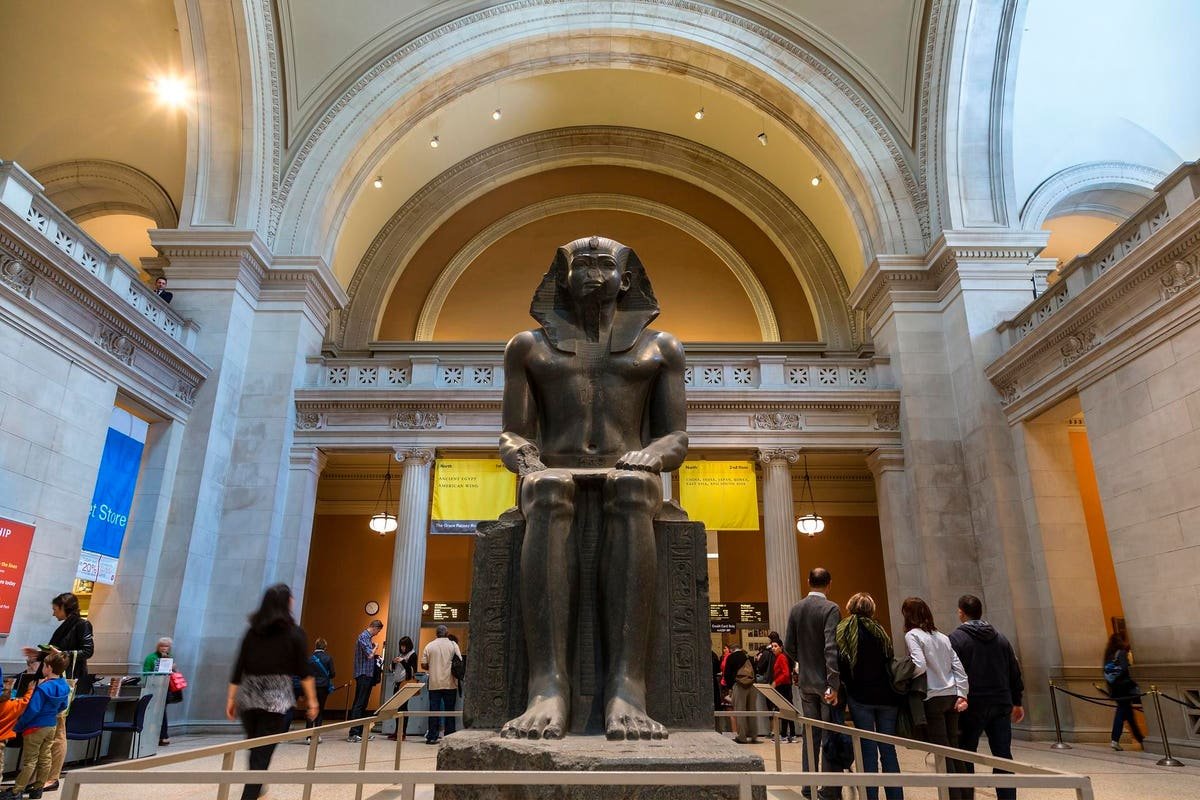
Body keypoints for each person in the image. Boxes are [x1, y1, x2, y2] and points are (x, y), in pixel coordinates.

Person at [497, 236, 687, 740]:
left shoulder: (661, 348)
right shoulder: (528, 347)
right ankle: (547, 685)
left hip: (627, 470)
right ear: (561, 278)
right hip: (553, 470)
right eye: (580, 264)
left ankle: (627, 686)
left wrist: (653, 456)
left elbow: (675, 436)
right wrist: (527, 459)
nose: (592, 273)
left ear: (627, 279)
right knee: (547, 488)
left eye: (604, 264)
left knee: (631, 488)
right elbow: (513, 432)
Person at [226, 584, 317, 800]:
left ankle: (257, 788)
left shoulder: (252, 632)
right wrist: (312, 701)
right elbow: (305, 671)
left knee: (255, 748)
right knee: (261, 753)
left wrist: (231, 698)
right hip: (275, 700)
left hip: (248, 698)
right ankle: (250, 795)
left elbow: (239, 667)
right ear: (286, 602)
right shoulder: (295, 633)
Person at [949, 594, 1025, 800]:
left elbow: (952, 673)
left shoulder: (956, 639)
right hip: (1001, 704)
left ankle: (967, 797)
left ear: (961, 613)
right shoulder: (1001, 638)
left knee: (966, 753)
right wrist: (1017, 701)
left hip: (972, 705)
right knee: (1003, 755)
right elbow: (1014, 672)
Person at [21, 591, 94, 793]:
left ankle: (52, 777)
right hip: (56, 680)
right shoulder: (67, 625)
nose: (53, 613)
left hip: (66, 682)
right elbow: (57, 653)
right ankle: (41, 776)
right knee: (50, 729)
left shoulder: (82, 624)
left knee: (58, 729)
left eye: (55, 609)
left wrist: (60, 653)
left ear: (64, 607)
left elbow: (87, 651)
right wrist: (39, 654)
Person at [902, 597, 969, 800]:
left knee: (941, 751)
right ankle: (966, 795)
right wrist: (962, 694)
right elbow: (958, 668)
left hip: (932, 696)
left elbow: (919, 664)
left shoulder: (913, 635)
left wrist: (905, 676)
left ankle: (953, 796)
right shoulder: (943, 637)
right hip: (951, 695)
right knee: (954, 748)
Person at [836, 592, 902, 800]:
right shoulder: (880, 631)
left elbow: (842, 662)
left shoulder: (845, 629)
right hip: (886, 696)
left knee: (867, 749)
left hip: (861, 696)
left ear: (850, 607)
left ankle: (870, 796)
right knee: (888, 749)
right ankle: (895, 796)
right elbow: (889, 659)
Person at [784, 567, 841, 799]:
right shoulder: (831, 608)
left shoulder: (796, 608)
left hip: (806, 682)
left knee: (810, 735)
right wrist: (833, 682)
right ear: (829, 584)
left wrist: (803, 662)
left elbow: (788, 645)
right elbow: (831, 647)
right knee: (828, 735)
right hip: (825, 683)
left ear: (808, 581)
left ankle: (808, 785)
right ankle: (827, 788)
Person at [1, 652, 70, 800]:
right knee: (45, 756)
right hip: (51, 725)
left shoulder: (43, 688)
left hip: (35, 727)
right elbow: (64, 705)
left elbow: (33, 709)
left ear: (49, 668)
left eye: (44, 666)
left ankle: (17, 790)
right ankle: (38, 788)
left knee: (30, 761)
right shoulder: (64, 685)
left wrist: (19, 725)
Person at [1103, 632, 1144, 750]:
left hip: (1115, 687)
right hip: (1124, 687)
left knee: (1128, 714)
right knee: (1121, 712)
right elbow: (1125, 669)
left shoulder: (1108, 654)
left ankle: (1140, 739)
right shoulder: (1121, 652)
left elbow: (1106, 672)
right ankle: (1115, 739)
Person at [422, 625, 462, 744]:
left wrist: (433, 666)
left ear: (436, 633)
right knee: (450, 710)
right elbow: (459, 661)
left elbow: (423, 664)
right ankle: (450, 736)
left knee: (434, 711)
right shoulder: (453, 645)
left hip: (434, 683)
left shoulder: (429, 646)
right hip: (450, 683)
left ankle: (432, 736)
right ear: (447, 633)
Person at [347, 620, 383, 742]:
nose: (377, 633)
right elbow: (369, 655)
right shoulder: (363, 637)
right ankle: (353, 733)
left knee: (363, 704)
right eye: (378, 631)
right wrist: (376, 647)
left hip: (368, 674)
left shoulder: (368, 638)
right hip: (363, 674)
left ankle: (360, 733)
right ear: (374, 628)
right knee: (359, 704)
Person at [142, 636, 178, 746]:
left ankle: (162, 736)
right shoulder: (151, 658)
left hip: (165, 689)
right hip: (153, 687)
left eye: (166, 646)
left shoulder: (170, 658)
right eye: (162, 646)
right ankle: (156, 735)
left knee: (162, 712)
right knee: (153, 712)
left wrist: (173, 668)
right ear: (158, 647)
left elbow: (172, 674)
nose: (164, 648)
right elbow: (145, 672)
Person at [722, 644, 757, 743]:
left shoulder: (731, 657)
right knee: (752, 711)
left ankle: (742, 736)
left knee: (740, 711)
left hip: (739, 685)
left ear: (732, 650)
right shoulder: (748, 656)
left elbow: (727, 674)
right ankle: (753, 735)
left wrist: (730, 687)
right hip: (752, 685)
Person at [387, 636, 417, 740]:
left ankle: (402, 732)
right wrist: (393, 662)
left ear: (408, 646)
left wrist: (403, 661)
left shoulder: (413, 655)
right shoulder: (401, 655)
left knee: (403, 708)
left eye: (404, 646)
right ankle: (397, 731)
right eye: (401, 646)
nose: (402, 648)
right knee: (397, 708)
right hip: (397, 683)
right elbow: (392, 669)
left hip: (405, 684)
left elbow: (412, 671)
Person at [769, 639, 797, 743]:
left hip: (784, 687)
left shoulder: (781, 657)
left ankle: (785, 735)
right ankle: (791, 734)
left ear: (781, 647)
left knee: (785, 710)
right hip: (784, 686)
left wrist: (776, 682)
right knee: (787, 710)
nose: (773, 648)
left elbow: (786, 674)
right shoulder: (780, 657)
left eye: (775, 646)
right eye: (772, 646)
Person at [307, 638, 335, 732]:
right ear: (325, 647)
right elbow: (333, 674)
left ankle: (308, 734)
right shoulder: (328, 658)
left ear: (315, 646)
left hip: (311, 686)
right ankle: (317, 733)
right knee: (320, 709)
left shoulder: (309, 658)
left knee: (311, 708)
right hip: (323, 687)